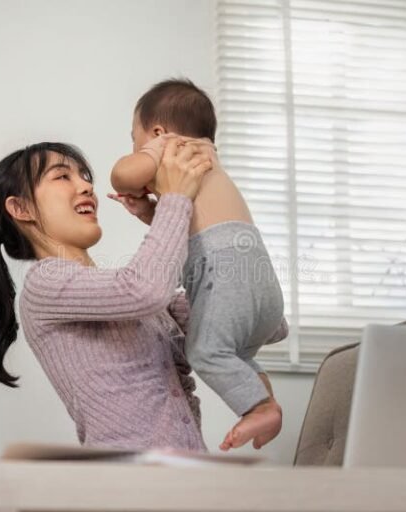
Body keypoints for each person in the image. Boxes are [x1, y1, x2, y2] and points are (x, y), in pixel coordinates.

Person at [0, 139, 213, 450]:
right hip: (128, 483)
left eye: (85, 176)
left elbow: (252, 322)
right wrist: (174, 202)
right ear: (20, 208)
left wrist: (193, 224)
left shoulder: (139, 301)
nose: (85, 186)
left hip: (188, 477)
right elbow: (144, 289)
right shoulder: (45, 283)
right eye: (62, 176)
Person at [110, 79, 288, 451]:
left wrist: (131, 170)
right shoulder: (207, 156)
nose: (135, 148)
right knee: (229, 352)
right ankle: (259, 390)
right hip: (260, 286)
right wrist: (150, 212)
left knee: (204, 351)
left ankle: (258, 406)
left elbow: (123, 175)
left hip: (225, 277)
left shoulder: (169, 146)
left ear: (158, 132)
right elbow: (190, 228)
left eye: (134, 138)